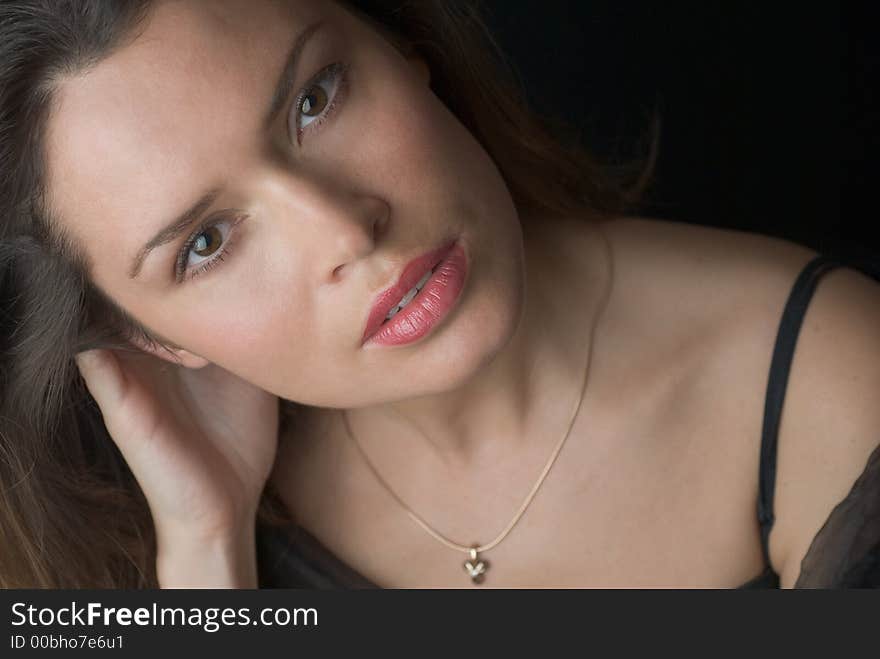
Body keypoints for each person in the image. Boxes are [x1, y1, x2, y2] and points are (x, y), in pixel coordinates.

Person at [0, 0, 877, 590]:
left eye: (315, 99)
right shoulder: (157, 539)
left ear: (403, 48)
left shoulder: (826, 377)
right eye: (206, 243)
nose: (346, 231)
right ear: (149, 338)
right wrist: (205, 553)